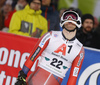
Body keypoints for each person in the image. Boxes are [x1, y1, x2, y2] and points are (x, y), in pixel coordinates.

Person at [15, 10, 84, 85]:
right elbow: (32, 57)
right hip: (35, 79)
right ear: (62, 22)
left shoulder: (79, 49)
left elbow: (74, 75)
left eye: (73, 18)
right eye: (66, 18)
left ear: (78, 23)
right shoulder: (50, 36)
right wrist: (22, 75)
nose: (70, 20)